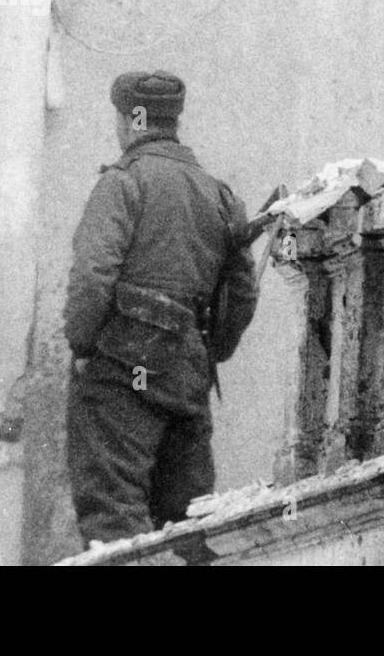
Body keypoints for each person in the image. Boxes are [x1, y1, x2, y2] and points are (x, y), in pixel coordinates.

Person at [64, 70, 258, 545]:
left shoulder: (122, 184)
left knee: (113, 513)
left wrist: (83, 343)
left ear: (132, 119)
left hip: (122, 369)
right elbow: (243, 292)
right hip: (187, 374)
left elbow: (93, 274)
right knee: (189, 522)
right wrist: (211, 352)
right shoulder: (220, 196)